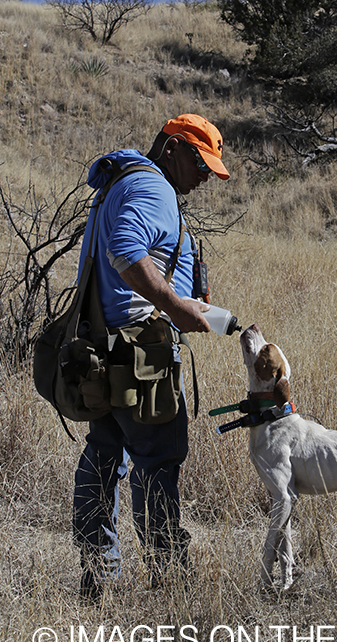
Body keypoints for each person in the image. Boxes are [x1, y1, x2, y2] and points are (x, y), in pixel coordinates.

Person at [72, 114, 229, 599]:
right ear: (172, 148)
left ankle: (98, 578)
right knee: (158, 462)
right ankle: (171, 583)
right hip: (142, 356)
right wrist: (176, 305)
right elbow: (125, 250)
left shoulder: (123, 182)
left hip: (102, 351)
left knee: (103, 458)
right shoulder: (154, 188)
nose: (205, 177)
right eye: (200, 163)